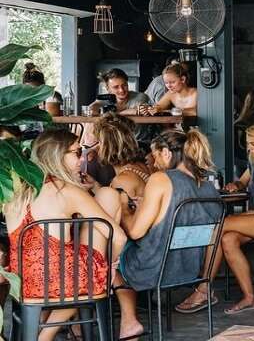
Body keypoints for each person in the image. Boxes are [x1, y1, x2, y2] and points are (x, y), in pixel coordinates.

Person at [5, 129, 126, 341]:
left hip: (23, 282)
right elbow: (119, 238)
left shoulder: (13, 190)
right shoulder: (66, 191)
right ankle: (46, 336)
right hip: (64, 284)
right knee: (109, 198)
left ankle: (42, 333)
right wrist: (109, 266)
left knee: (65, 265)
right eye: (77, 152)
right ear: (58, 156)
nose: (82, 159)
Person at [176, 124, 254, 315]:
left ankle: (203, 289)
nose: (249, 148)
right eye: (248, 144)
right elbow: (243, 181)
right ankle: (250, 297)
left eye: (253, 144)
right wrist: (236, 184)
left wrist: (247, 214)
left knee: (221, 225)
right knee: (227, 239)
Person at [114, 129, 222, 339]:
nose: (154, 163)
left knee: (104, 260)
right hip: (188, 271)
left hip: (152, 268)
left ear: (166, 153)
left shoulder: (161, 179)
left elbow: (136, 232)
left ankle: (128, 321)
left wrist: (125, 208)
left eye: (155, 156)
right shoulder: (210, 189)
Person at [93, 114, 150, 209]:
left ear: (109, 146)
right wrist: (94, 185)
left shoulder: (122, 181)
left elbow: (122, 220)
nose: (96, 147)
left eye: (99, 142)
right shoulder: (138, 166)